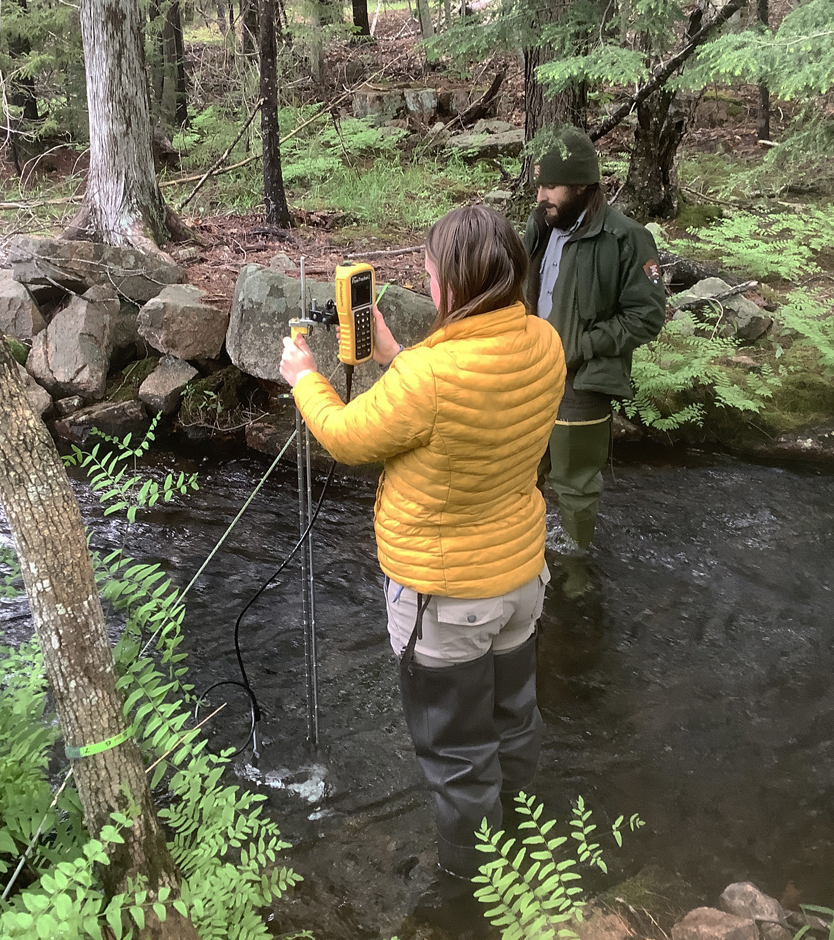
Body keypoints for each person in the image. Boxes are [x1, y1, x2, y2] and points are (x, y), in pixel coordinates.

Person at [279, 205, 566, 933]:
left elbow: (346, 436)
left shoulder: (432, 378)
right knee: (513, 722)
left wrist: (303, 376)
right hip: (520, 582)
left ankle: (470, 897)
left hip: (444, 597)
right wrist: (396, 352)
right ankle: (528, 847)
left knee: (458, 754)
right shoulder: (543, 343)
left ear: (456, 284)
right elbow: (463, 398)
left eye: (433, 275)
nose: (429, 285)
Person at [524, 128, 667, 556]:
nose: (540, 197)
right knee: (523, 467)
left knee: (575, 481)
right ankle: (523, 551)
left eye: (551, 186)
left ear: (584, 186)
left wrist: (582, 346)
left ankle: (575, 571)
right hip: (530, 371)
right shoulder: (542, 225)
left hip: (583, 381)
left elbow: (648, 316)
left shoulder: (626, 238)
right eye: (539, 185)